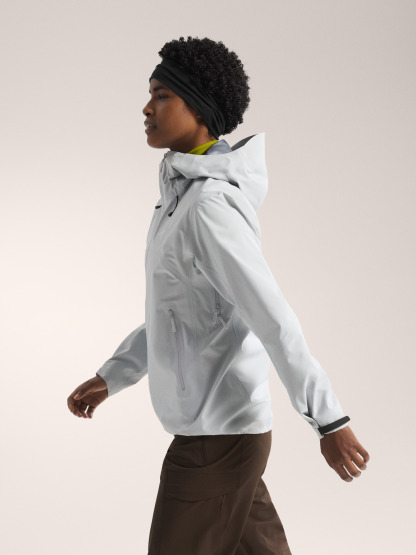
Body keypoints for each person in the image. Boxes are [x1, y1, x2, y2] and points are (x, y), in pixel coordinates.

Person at [67, 36, 370, 555]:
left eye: (162, 95)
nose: (146, 107)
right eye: (150, 94)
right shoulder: (178, 200)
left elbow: (272, 318)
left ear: (199, 108)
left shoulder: (207, 207)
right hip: (220, 432)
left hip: (217, 440)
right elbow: (176, 315)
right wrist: (113, 375)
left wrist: (330, 420)